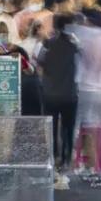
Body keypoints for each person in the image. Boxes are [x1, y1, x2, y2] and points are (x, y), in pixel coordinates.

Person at [39, 14, 81, 184]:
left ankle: (53, 157)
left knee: (51, 127)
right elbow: (82, 64)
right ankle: (66, 159)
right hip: (69, 95)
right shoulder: (74, 45)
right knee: (68, 129)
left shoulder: (47, 45)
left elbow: (39, 63)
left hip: (50, 94)